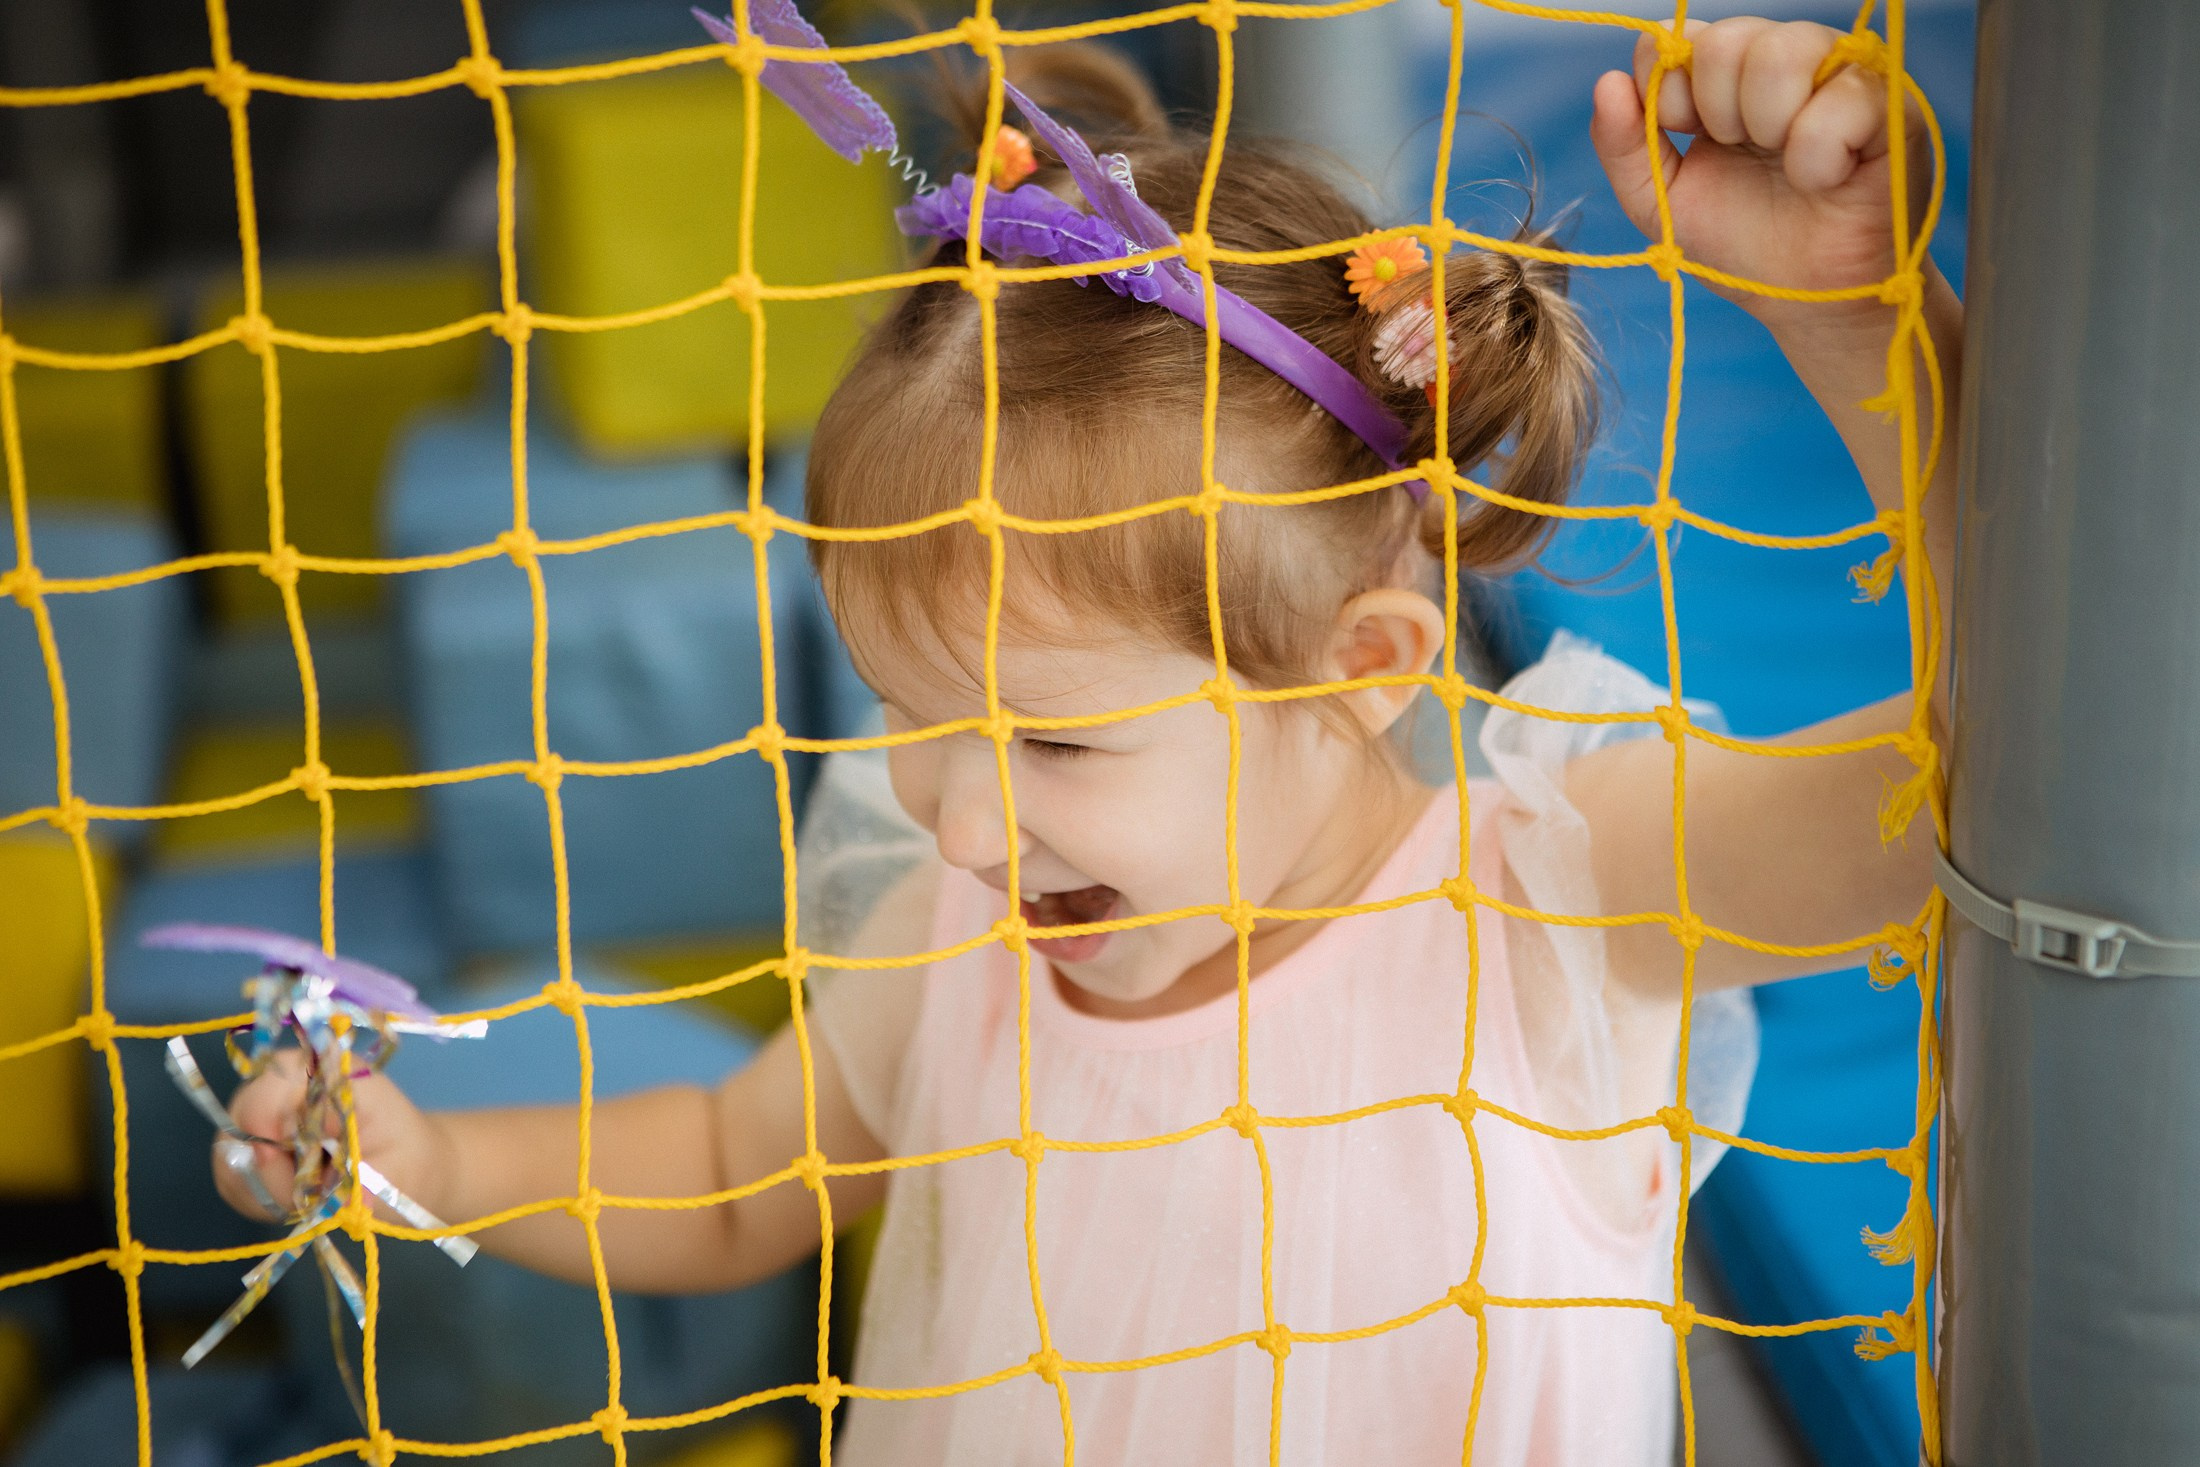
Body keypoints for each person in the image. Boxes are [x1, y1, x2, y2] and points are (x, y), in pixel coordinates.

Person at [219, 16, 1958, 1463]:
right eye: (911, 716)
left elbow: (1980, 786)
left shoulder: (1563, 895)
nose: (962, 823)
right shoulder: (966, 933)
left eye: (1053, 747)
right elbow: (735, 1172)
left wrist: (1853, 308)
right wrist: (429, 1159)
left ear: (1361, 664)